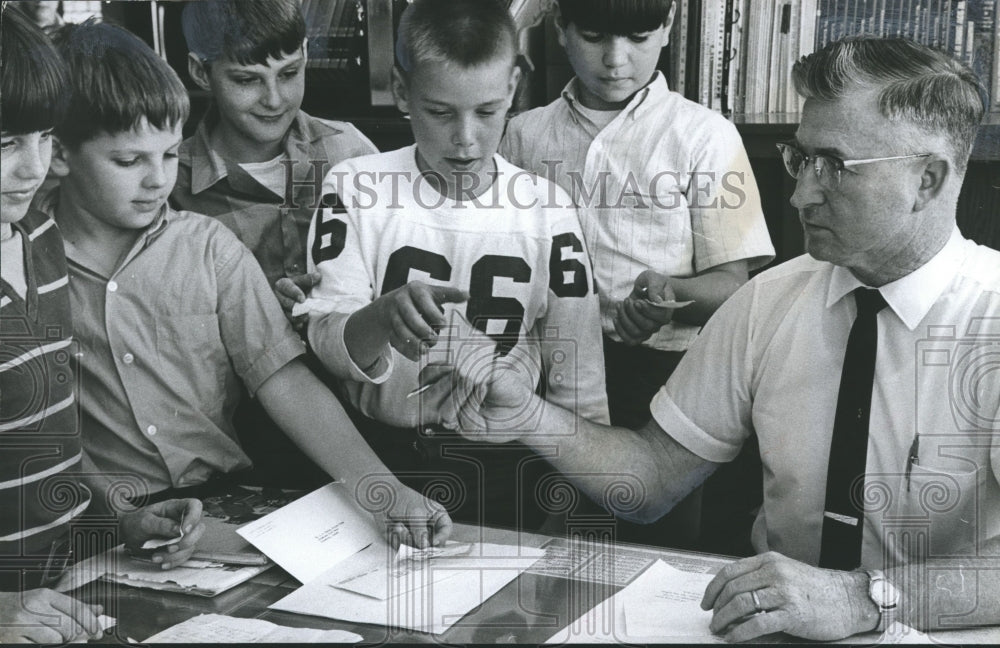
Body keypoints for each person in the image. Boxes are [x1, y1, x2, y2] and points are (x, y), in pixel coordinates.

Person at [426, 35, 1000, 640]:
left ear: (928, 180)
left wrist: (862, 598)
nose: (802, 193)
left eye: (834, 166)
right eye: (800, 159)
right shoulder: (769, 301)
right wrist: (527, 415)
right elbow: (648, 481)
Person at [38, 19, 450, 550]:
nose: (158, 179)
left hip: (226, 501)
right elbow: (45, 421)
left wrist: (384, 493)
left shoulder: (209, 247)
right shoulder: (27, 259)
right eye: (128, 161)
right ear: (61, 153)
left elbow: (287, 382)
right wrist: (117, 513)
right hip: (91, 520)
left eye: (168, 155)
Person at [299, 0, 609, 529]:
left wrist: (579, 502)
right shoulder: (353, 186)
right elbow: (326, 345)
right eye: (440, 112)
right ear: (402, 91)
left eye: (487, 112)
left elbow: (578, 381)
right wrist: (381, 316)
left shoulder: (549, 209)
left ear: (513, 87)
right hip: (384, 459)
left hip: (509, 466)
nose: (465, 138)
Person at [0, 10, 200, 643]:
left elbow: (42, 434)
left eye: (41, 137)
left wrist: (116, 515)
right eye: (6, 143)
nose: (34, 168)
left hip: (63, 591)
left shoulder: (38, 238)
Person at [500, 0, 774, 429]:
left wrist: (670, 296)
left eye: (638, 38)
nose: (615, 59)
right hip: (544, 367)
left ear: (668, 25)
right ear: (561, 28)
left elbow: (732, 288)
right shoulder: (523, 136)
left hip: (666, 374)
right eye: (593, 37)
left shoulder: (705, 136)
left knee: (654, 491)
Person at [171, 0, 377, 317]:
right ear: (201, 72)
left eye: (289, 73)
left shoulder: (350, 151)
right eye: (246, 80)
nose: (274, 99)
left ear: (306, 54)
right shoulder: (170, 185)